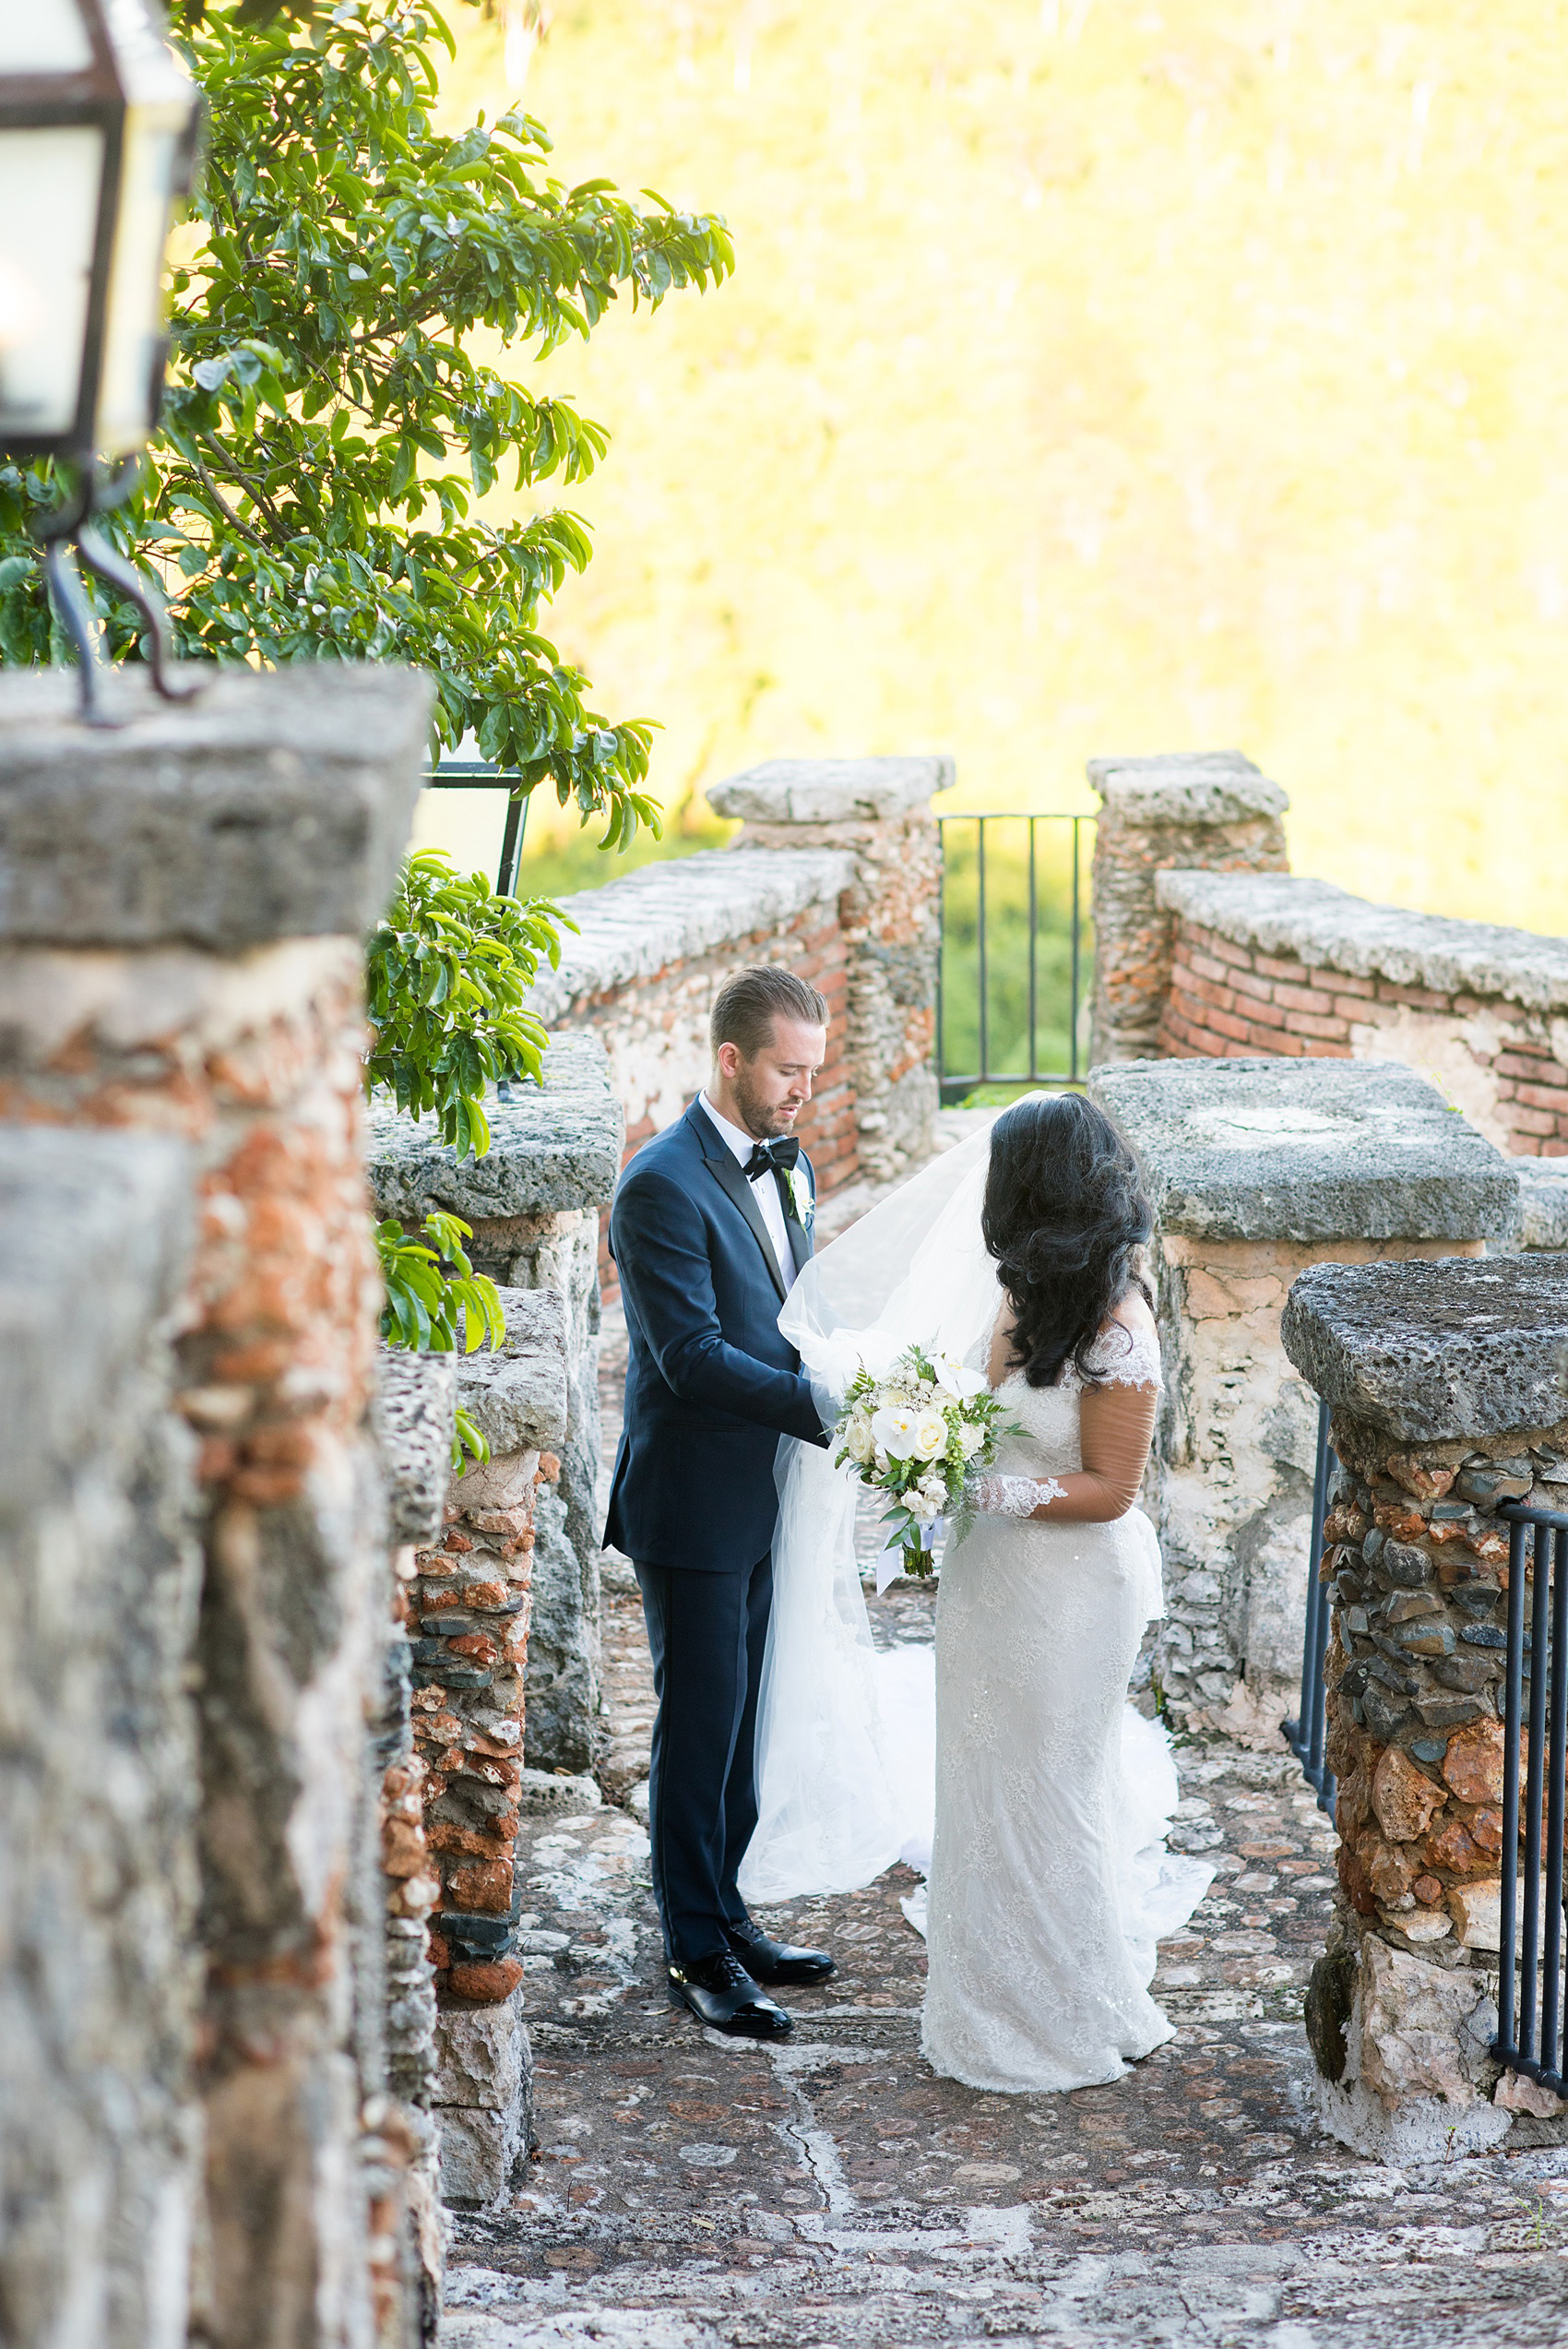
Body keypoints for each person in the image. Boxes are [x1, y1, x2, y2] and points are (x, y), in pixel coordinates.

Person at [743, 1090, 1211, 2093]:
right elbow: (969, 1404)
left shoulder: (1118, 1325)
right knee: (984, 1787)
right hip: (987, 1579)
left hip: (1073, 1590)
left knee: (1052, 1788)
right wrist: (920, 1443)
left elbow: (1110, 1489)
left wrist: (981, 1482)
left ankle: (1063, 2010)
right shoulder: (1019, 1298)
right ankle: (986, 1998)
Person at [605, 964, 839, 2039]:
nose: (802, 1091)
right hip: (693, 1499)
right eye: (788, 1071)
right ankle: (693, 1947)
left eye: (814, 1072)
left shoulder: (784, 1164)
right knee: (698, 1727)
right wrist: (830, 1405)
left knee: (744, 1718)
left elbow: (794, 1307)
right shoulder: (658, 1183)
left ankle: (728, 1910)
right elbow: (690, 1356)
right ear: (732, 1058)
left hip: (764, 1488)